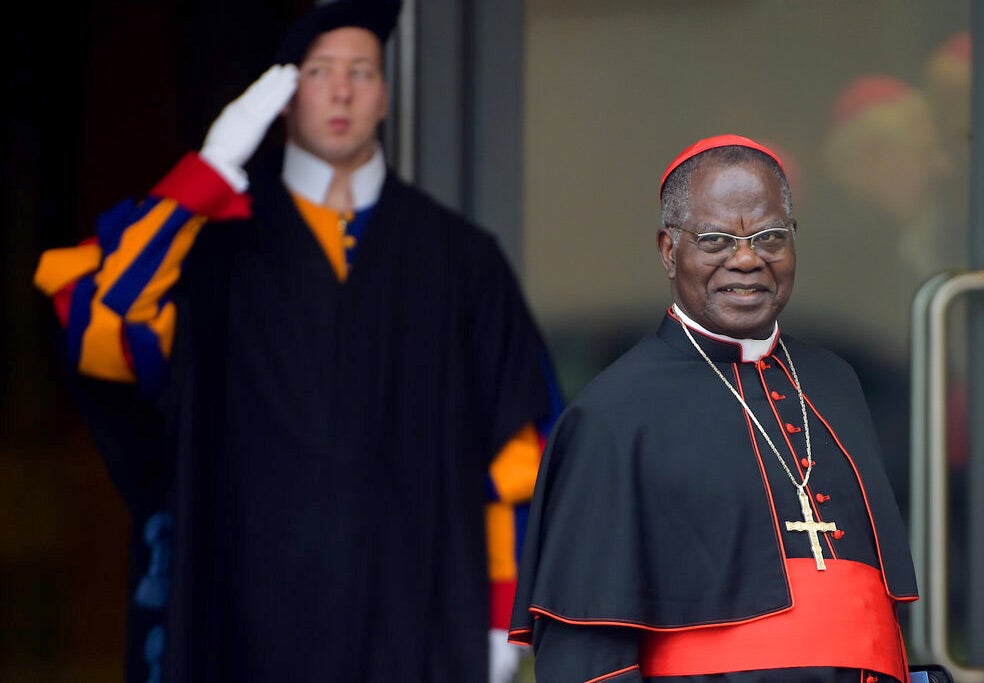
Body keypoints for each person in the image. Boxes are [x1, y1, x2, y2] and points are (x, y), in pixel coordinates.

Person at [32, 1, 558, 682]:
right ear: (281, 97)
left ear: (385, 97)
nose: (341, 90)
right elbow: (108, 317)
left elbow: (518, 450)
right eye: (318, 71)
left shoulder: (460, 260)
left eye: (361, 72)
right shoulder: (213, 251)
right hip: (242, 630)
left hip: (416, 633)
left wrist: (498, 622)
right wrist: (211, 169)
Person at [509, 134, 923, 682]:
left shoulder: (836, 383)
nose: (747, 259)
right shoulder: (612, 415)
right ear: (668, 250)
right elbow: (586, 660)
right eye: (716, 239)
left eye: (769, 236)